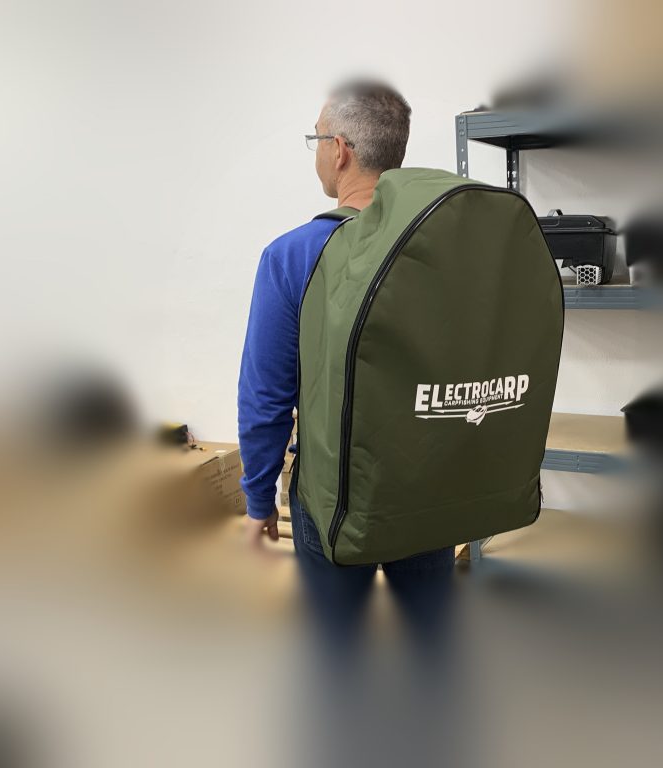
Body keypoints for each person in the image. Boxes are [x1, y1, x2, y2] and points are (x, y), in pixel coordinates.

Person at [237, 81, 455, 652]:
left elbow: (266, 396)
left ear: (338, 150)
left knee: (337, 650)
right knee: (431, 645)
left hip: (332, 500)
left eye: (316, 139)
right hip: (427, 488)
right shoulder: (442, 249)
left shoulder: (292, 255)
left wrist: (259, 497)